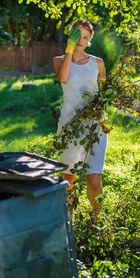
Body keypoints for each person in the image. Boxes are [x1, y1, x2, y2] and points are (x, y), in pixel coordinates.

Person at [53, 19, 107, 221]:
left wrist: (98, 112)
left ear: (90, 40)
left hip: (94, 126)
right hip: (69, 126)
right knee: (68, 179)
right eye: (77, 35)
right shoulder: (59, 60)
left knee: (93, 179)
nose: (80, 40)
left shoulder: (98, 64)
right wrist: (69, 49)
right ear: (70, 35)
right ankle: (69, 224)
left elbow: (104, 95)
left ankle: (96, 223)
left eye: (85, 37)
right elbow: (64, 78)